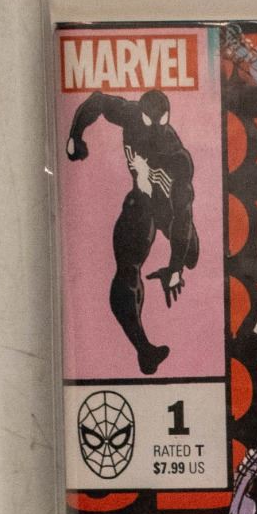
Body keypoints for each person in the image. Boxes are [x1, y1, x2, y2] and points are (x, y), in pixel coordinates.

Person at [66, 89, 198, 375]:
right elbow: (98, 102)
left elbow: (183, 216)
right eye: (149, 123)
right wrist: (76, 135)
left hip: (170, 209)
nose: (154, 132)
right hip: (141, 202)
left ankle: (181, 261)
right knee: (127, 269)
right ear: (141, 115)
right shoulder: (129, 115)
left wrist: (175, 267)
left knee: (191, 256)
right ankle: (144, 350)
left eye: (160, 124)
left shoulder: (178, 158)